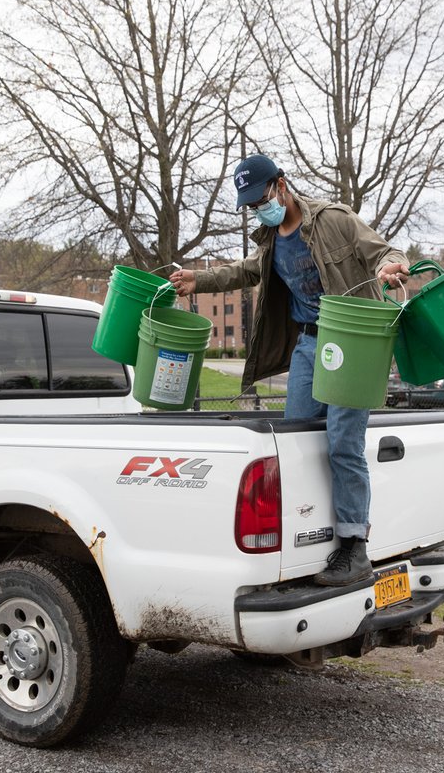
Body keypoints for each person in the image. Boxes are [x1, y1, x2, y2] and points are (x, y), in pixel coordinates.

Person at [170, 154, 409, 586]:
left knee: (342, 442)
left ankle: (354, 547)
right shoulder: (270, 238)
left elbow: (381, 250)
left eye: (261, 198)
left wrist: (391, 265)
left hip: (354, 341)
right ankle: (309, 537)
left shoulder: (333, 218)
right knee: (295, 436)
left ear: (281, 185)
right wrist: (197, 280)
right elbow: (246, 271)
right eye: (251, 205)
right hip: (309, 342)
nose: (259, 209)